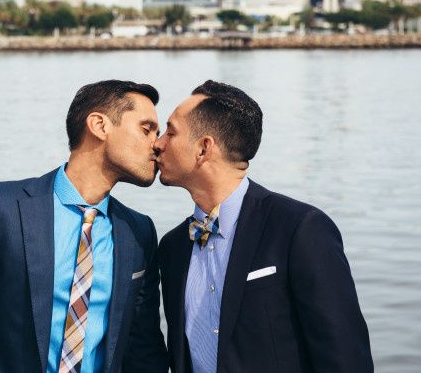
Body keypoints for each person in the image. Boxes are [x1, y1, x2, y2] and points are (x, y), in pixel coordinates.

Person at [0, 80, 169, 373]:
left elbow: (143, 351)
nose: (157, 143)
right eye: (147, 129)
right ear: (99, 125)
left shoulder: (138, 232)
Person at [154, 80, 373, 373]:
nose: (158, 143)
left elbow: (346, 360)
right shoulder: (172, 247)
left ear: (204, 148)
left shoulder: (300, 229)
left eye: (171, 131)